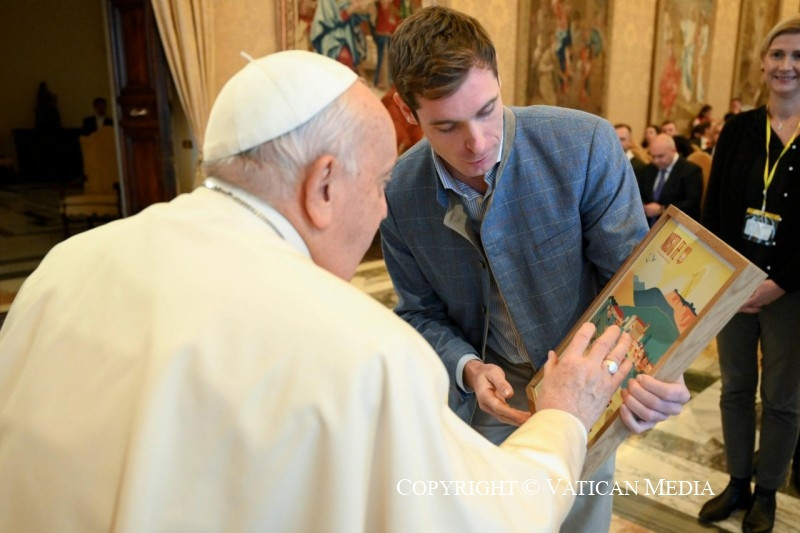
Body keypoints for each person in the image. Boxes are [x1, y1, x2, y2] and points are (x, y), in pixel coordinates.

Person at [0, 49, 639, 532]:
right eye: (379, 183)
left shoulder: (64, 266)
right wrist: (562, 416)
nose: (385, 210)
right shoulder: (364, 352)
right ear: (324, 184)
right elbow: (487, 520)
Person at [380, 7, 690, 532]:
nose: (477, 143)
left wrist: (662, 371)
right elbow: (419, 312)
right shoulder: (399, 193)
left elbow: (636, 281)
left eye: (486, 110)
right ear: (405, 110)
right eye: (446, 126)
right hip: (486, 397)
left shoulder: (583, 145)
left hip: (584, 382)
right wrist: (467, 367)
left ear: (499, 78)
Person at [699, 17, 800, 533]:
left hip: (791, 290)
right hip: (734, 284)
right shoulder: (738, 130)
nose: (787, 65)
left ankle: (767, 494)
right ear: (762, 62)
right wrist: (729, 280)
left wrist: (776, 283)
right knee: (736, 388)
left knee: (782, 398)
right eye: (778, 54)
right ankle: (737, 482)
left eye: (798, 56)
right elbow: (714, 210)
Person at [637, 133, 703, 226]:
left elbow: (692, 203)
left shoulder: (690, 171)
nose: (656, 161)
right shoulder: (648, 169)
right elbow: (640, 193)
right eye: (653, 156)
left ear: (673, 150)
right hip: (648, 225)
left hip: (678, 225)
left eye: (660, 156)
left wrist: (663, 209)